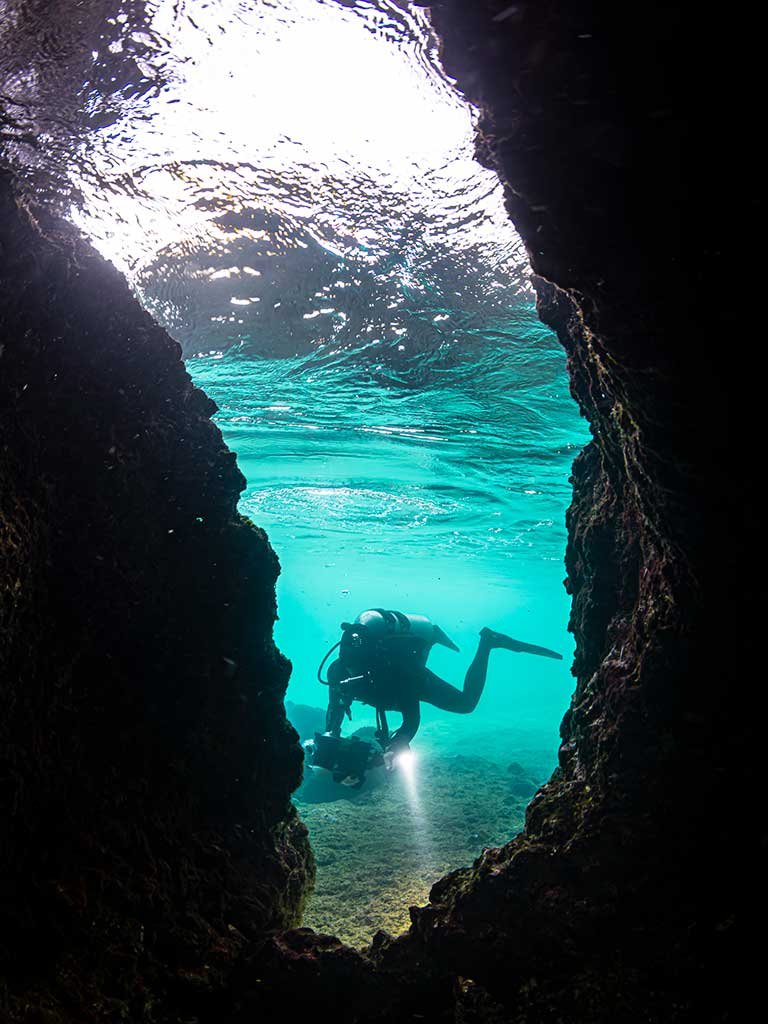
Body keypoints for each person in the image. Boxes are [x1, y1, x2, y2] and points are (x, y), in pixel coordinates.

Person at [320, 608, 561, 768]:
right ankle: (484, 642)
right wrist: (331, 741)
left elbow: (411, 719)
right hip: (390, 690)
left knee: (466, 704)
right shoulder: (337, 671)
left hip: (415, 681)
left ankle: (488, 643)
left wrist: (398, 744)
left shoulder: (399, 674)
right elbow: (336, 709)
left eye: (356, 670)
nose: (350, 675)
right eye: (348, 668)